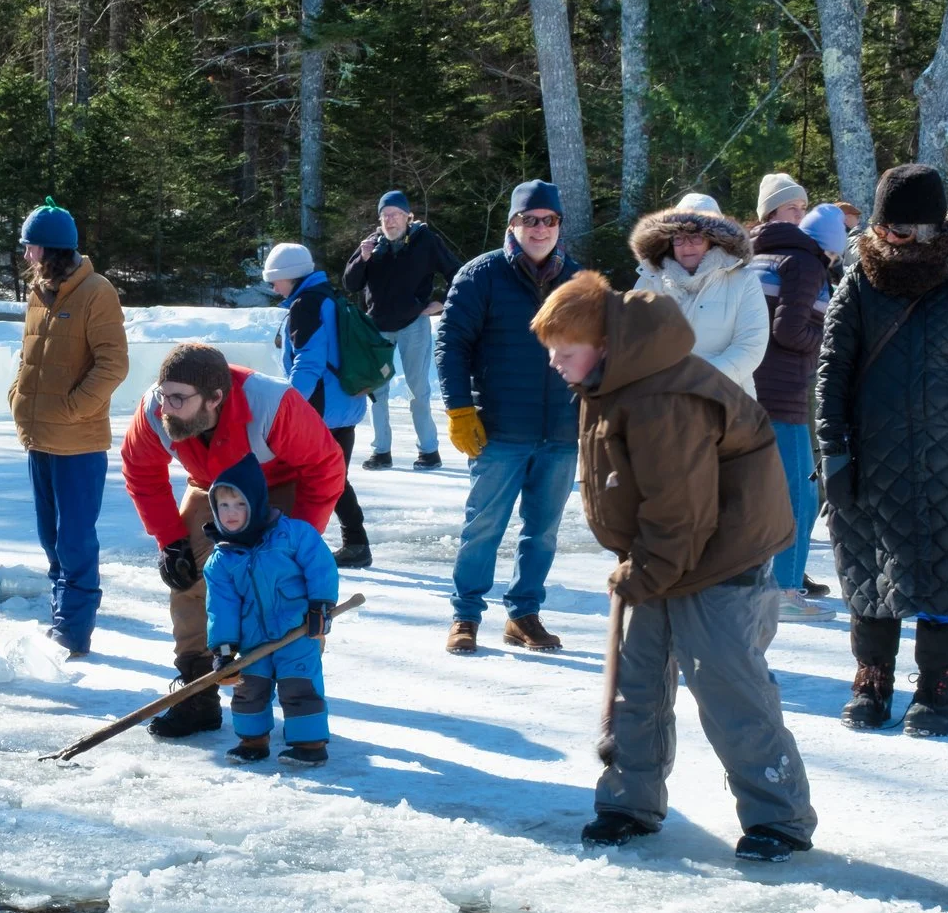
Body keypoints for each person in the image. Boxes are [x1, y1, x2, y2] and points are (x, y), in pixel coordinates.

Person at [535, 271, 815, 864]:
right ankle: (629, 802)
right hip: (664, 552)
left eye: (566, 353)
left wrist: (644, 570)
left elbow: (680, 506)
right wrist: (642, 562)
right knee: (637, 681)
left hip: (720, 555)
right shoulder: (614, 380)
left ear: (604, 345)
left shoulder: (664, 396)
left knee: (726, 684)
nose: (556, 364)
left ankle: (779, 816)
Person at [817, 164, 948, 737]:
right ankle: (872, 679)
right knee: (869, 575)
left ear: (930, 230)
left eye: (901, 230)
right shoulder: (859, 280)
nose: (887, 239)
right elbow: (832, 374)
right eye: (883, 228)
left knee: (946, 575)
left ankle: (936, 688)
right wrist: (833, 453)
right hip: (869, 457)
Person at [120, 342, 345, 736]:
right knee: (187, 575)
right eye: (163, 394)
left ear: (215, 398)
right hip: (210, 486)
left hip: (280, 485)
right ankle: (197, 693)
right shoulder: (155, 411)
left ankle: (300, 693)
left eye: (178, 399)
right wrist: (170, 540)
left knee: (286, 587)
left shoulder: (272, 403)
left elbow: (325, 466)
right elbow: (141, 473)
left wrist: (299, 540)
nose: (165, 407)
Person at [435, 179, 581, 654]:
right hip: (500, 428)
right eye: (530, 219)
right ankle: (466, 615)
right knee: (484, 526)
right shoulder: (481, 275)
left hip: (561, 430)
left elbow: (597, 353)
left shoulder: (577, 281)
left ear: (560, 225)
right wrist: (460, 409)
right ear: (513, 224)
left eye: (549, 220)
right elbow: (451, 345)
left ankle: (524, 613)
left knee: (543, 530)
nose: (540, 229)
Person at [9, 201, 128, 657]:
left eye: (31, 247)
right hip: (38, 437)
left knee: (75, 538)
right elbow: (30, 355)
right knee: (49, 536)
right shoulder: (40, 292)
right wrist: (18, 394)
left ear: (51, 248)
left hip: (77, 442)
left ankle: (72, 631)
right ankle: (62, 615)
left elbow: (113, 363)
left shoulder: (97, 291)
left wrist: (75, 408)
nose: (26, 256)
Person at [203, 454, 338, 767]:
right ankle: (253, 742)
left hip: (298, 631)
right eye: (223, 506)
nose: (231, 513)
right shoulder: (221, 561)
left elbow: (321, 568)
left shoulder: (293, 535)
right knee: (249, 690)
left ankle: (310, 744)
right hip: (253, 640)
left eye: (239, 504)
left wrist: (321, 605)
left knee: (299, 686)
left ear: (256, 503)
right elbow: (221, 607)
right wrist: (223, 649)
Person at [266, 241, 373, 568]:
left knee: (316, 477)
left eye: (275, 278)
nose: (272, 286)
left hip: (322, 410)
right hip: (344, 405)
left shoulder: (307, 305)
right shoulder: (326, 295)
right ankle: (355, 541)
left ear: (291, 276)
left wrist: (287, 407)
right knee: (333, 476)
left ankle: (298, 545)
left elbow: (309, 363)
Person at [751, 196, 834, 613]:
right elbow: (789, 329)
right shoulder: (805, 262)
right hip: (783, 393)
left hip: (752, 388)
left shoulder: (758, 253)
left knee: (760, 493)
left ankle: (762, 581)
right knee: (798, 493)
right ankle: (784, 588)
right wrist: (830, 343)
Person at [342, 189, 459, 470]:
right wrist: (363, 258)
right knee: (376, 391)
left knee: (418, 389)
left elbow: (458, 273)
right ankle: (381, 451)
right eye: (385, 216)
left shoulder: (426, 240)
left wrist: (440, 302)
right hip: (376, 329)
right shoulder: (372, 245)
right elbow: (350, 284)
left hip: (413, 325)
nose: (390, 220)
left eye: (395, 214)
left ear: (408, 216)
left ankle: (429, 450)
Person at [630, 194, 769, 392]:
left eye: (695, 237)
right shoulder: (648, 280)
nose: (687, 245)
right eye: (679, 238)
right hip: (662, 405)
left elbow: (750, 347)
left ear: (713, 240)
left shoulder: (743, 280)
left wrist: (699, 380)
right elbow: (632, 341)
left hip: (727, 405)